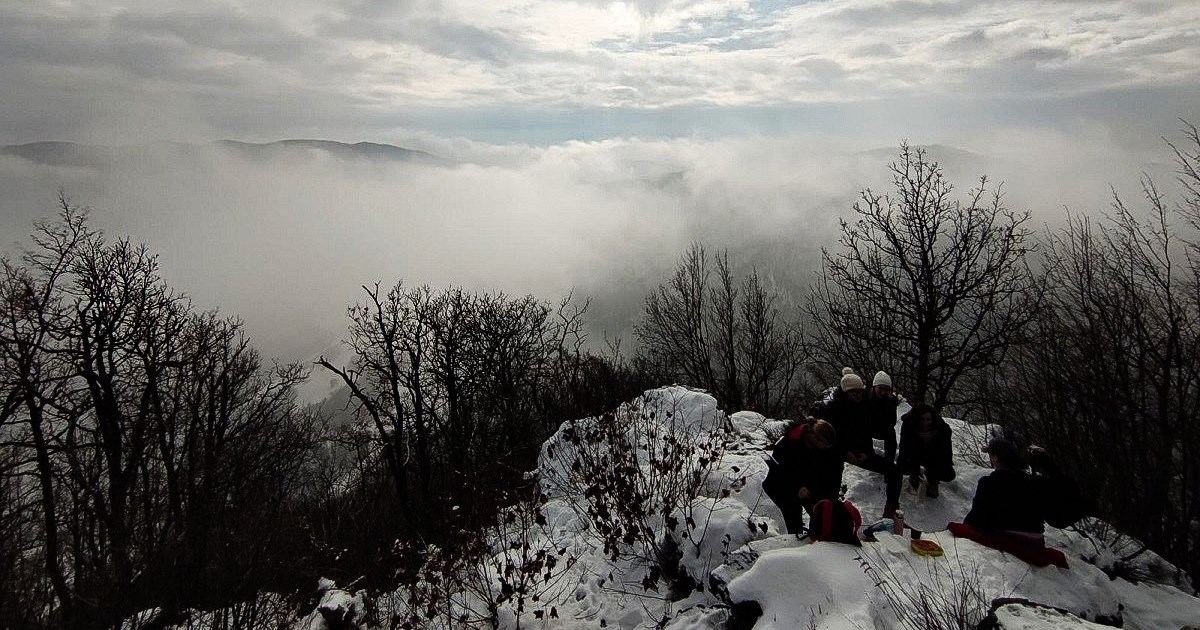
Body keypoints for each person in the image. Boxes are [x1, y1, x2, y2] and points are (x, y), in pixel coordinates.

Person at [948, 437, 1079, 568]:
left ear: (995, 458)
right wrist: (1048, 464)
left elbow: (976, 520)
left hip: (1008, 539)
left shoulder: (989, 483)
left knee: (956, 527)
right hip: (1035, 542)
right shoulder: (1036, 482)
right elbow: (1065, 487)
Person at [811, 368, 903, 518]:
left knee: (895, 472)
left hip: (860, 452)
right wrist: (845, 453)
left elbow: (867, 431)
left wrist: (866, 453)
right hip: (836, 453)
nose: (858, 395)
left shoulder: (864, 406)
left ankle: (890, 512)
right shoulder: (833, 409)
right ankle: (828, 514)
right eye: (853, 392)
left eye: (860, 392)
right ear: (845, 391)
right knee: (832, 482)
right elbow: (827, 439)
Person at [761, 418, 843, 535]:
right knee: (793, 512)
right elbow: (778, 472)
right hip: (784, 485)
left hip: (811, 485)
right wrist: (796, 488)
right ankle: (795, 539)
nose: (825, 448)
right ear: (813, 436)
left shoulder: (829, 450)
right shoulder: (787, 444)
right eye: (823, 443)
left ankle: (818, 536)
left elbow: (834, 474)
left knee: (822, 510)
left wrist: (830, 497)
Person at [896, 403, 955, 498]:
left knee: (948, 474)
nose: (925, 423)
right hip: (915, 454)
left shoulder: (943, 429)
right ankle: (914, 474)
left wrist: (932, 438)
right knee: (902, 467)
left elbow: (946, 452)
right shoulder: (908, 425)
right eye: (922, 419)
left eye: (928, 420)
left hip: (934, 456)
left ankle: (932, 479)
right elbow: (904, 447)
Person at [865, 371, 900, 464]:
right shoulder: (866, 398)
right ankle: (868, 456)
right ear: (874, 387)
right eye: (880, 388)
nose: (883, 392)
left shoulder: (891, 400)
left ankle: (889, 463)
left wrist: (889, 404)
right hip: (868, 427)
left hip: (882, 428)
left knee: (891, 434)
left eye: (886, 389)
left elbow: (892, 422)